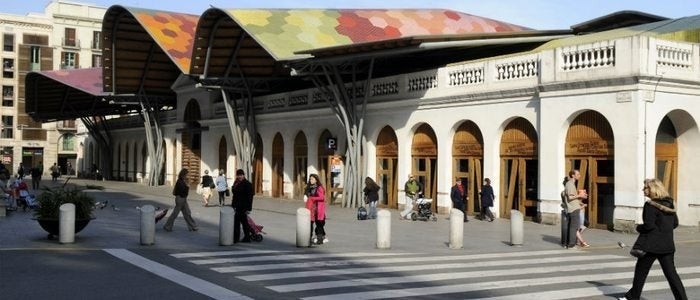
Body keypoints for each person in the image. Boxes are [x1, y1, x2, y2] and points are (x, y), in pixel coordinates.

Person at [619, 178, 687, 300]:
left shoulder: (650, 205)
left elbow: (649, 226)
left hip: (651, 246)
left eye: (645, 187)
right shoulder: (670, 203)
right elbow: (675, 223)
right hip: (667, 246)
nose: (643, 189)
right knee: (672, 275)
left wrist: (638, 227)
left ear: (653, 189)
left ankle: (633, 297)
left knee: (641, 272)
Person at [564, 169, 587, 249]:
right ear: (573, 175)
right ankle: (571, 245)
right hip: (573, 208)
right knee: (573, 227)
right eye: (578, 174)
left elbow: (571, 197)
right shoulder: (570, 184)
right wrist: (579, 196)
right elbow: (570, 197)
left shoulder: (571, 184)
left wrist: (580, 199)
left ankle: (569, 244)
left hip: (574, 208)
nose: (579, 176)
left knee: (573, 227)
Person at [231, 169, 254, 243]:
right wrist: (233, 205)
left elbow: (250, 197)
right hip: (237, 206)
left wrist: (249, 208)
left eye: (241, 175)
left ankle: (238, 238)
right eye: (238, 175)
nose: (239, 176)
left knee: (240, 223)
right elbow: (235, 194)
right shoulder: (236, 183)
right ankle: (244, 237)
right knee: (242, 223)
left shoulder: (247, 184)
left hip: (243, 207)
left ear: (244, 175)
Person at [304, 174, 327, 244]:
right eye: (310, 179)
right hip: (311, 209)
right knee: (309, 224)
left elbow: (322, 197)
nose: (311, 180)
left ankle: (320, 239)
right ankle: (308, 238)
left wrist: (312, 198)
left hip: (318, 209)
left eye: (312, 179)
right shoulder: (309, 187)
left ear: (316, 180)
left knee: (319, 225)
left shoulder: (319, 188)